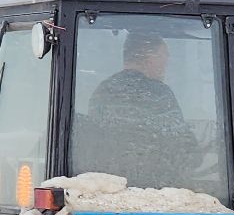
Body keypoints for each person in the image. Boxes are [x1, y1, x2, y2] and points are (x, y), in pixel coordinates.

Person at [81, 32, 199, 187]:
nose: (166, 63)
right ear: (150, 57)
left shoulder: (103, 90)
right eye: (164, 56)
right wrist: (194, 147)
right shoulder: (158, 93)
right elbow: (179, 142)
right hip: (154, 188)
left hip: (110, 185)